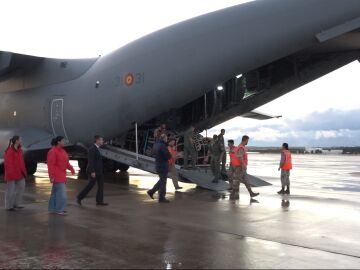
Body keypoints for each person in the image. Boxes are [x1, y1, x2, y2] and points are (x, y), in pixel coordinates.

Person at [47, 136, 75, 215]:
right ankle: (59, 209)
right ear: (58, 142)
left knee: (55, 194)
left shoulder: (63, 151)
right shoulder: (53, 151)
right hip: (57, 176)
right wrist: (51, 176)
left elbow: (66, 162)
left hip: (62, 176)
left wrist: (71, 169)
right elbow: (50, 165)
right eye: (63, 141)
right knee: (62, 195)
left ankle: (52, 209)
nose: (64, 142)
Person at [77, 135, 108, 206]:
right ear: (97, 141)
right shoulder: (92, 149)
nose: (102, 141)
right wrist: (92, 171)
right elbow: (91, 161)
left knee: (101, 186)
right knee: (90, 186)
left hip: (99, 171)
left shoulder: (98, 149)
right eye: (101, 140)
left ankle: (99, 201)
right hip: (93, 171)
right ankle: (79, 197)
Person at [4, 136, 27, 211]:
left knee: (21, 188)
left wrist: (24, 172)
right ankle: (9, 206)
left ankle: (16, 204)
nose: (21, 140)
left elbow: (22, 162)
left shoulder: (20, 150)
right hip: (12, 174)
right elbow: (8, 164)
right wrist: (10, 174)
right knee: (10, 191)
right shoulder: (9, 151)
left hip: (20, 173)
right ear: (16, 141)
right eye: (20, 139)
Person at [147, 134, 171, 203]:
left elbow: (152, 153)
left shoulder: (156, 145)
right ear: (164, 138)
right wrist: (169, 154)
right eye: (166, 138)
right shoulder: (163, 146)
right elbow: (167, 156)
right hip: (163, 165)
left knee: (161, 180)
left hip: (158, 164)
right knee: (163, 182)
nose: (167, 139)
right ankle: (161, 198)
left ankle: (152, 191)